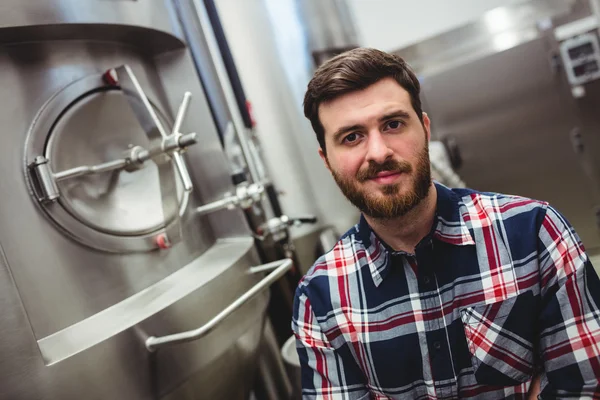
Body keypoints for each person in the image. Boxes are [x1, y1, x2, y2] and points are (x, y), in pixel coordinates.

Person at [292, 47, 600, 399]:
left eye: (393, 124)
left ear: (424, 129)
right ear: (327, 161)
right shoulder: (319, 300)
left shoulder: (535, 234)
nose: (378, 152)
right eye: (351, 137)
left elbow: (585, 386)